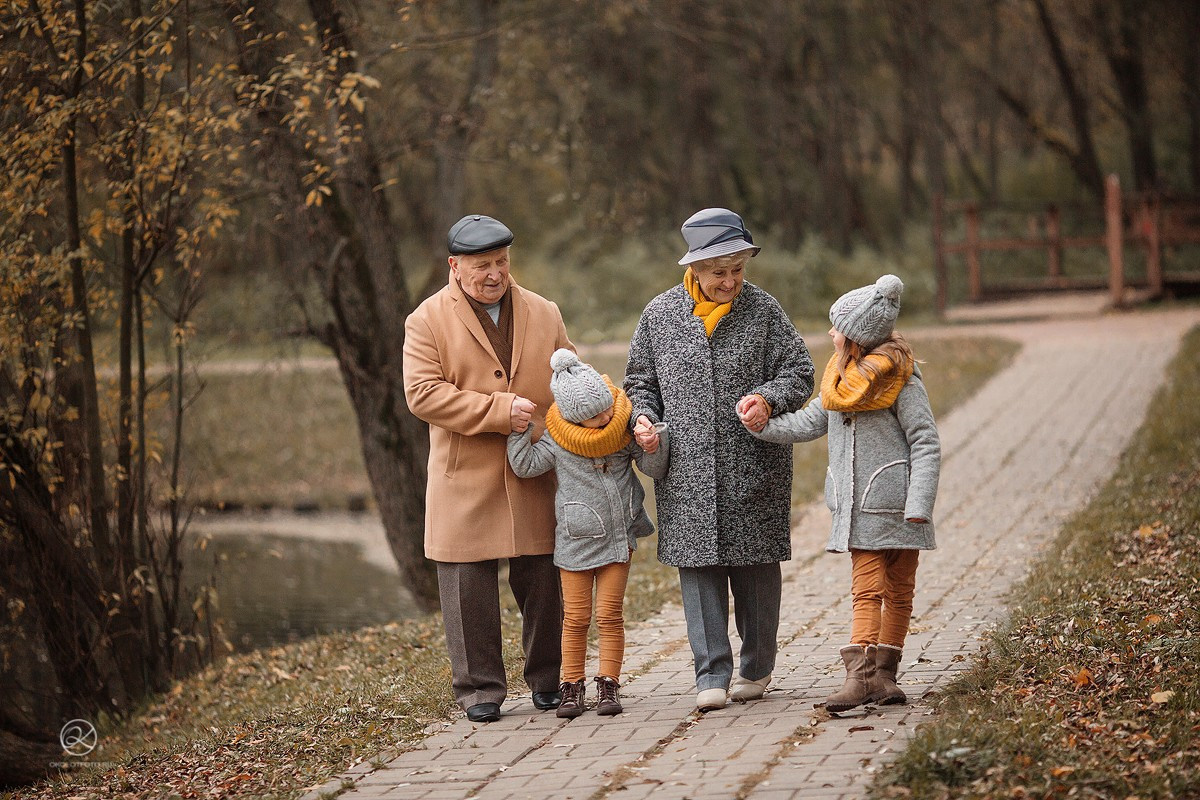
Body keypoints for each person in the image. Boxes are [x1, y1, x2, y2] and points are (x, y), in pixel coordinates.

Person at [624, 207, 815, 712]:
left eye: (737, 269)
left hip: (753, 464)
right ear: (694, 268)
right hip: (687, 471)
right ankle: (710, 672)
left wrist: (769, 399)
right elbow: (640, 382)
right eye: (718, 272)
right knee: (698, 570)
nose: (729, 281)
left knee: (756, 569)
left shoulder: (764, 310)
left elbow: (799, 371)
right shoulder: (660, 315)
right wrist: (642, 418)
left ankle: (756, 666)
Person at [403, 214, 571, 723]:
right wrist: (498, 411)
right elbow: (422, 394)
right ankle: (479, 690)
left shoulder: (544, 311)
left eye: (501, 262)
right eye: (482, 266)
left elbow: (570, 376)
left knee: (544, 577)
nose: (494, 273)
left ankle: (550, 679)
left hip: (535, 467)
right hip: (464, 475)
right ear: (454, 266)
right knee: (467, 583)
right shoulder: (426, 319)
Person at [746, 274, 941, 713]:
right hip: (861, 509)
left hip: (899, 505)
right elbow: (808, 422)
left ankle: (883, 674)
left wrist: (919, 503)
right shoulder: (838, 384)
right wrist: (761, 426)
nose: (831, 332)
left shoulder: (903, 382)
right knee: (866, 589)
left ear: (855, 338)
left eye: (837, 327)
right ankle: (862, 676)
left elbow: (925, 442)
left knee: (900, 591)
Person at [507, 349, 669, 718]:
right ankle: (571, 686)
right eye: (596, 416)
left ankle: (609, 684)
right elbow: (525, 465)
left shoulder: (622, 429)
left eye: (607, 409)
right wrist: (520, 432)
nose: (606, 417)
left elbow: (653, 467)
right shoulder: (558, 441)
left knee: (610, 615)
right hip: (575, 543)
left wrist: (653, 443)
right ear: (574, 418)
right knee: (576, 619)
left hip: (618, 539)